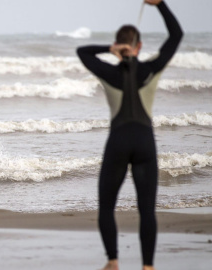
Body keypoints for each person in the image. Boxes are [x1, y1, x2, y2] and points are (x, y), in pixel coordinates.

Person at [76, 0, 182, 269]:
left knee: (107, 207)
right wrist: (160, 5)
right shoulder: (151, 69)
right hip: (145, 142)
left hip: (118, 142)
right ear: (139, 47)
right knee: (146, 209)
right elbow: (177, 35)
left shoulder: (109, 71)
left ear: (119, 48)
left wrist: (108, 49)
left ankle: (113, 261)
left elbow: (82, 52)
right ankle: (148, 266)